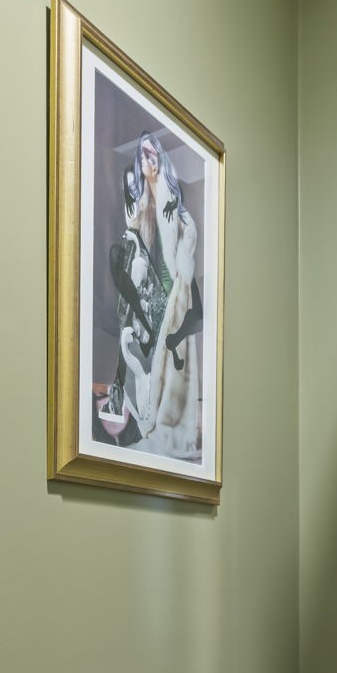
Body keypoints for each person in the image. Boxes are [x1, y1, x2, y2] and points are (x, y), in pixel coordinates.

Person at [100, 133, 202, 457]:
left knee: (166, 356)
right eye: (143, 155)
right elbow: (133, 237)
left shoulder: (173, 202)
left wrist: (183, 269)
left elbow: (185, 236)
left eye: (152, 153)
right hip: (149, 289)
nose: (149, 159)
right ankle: (136, 412)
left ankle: (164, 424)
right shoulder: (141, 204)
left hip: (170, 289)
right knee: (141, 349)